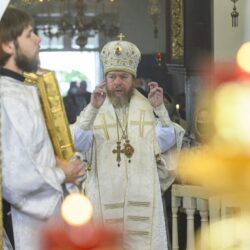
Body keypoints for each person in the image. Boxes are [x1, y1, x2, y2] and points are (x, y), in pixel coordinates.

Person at [71, 35, 185, 249]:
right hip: (104, 194)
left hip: (141, 195)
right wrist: (93, 109)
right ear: (105, 79)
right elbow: (78, 142)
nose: (117, 82)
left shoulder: (145, 105)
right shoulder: (95, 107)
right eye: (112, 77)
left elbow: (166, 141)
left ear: (133, 79)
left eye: (123, 77)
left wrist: (159, 108)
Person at [0, 7, 85, 250]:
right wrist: (63, 174)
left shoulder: (20, 89)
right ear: (7, 45)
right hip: (25, 225)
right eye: (29, 34)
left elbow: (32, 151)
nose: (38, 39)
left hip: (44, 219)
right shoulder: (7, 97)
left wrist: (60, 163)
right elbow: (15, 180)